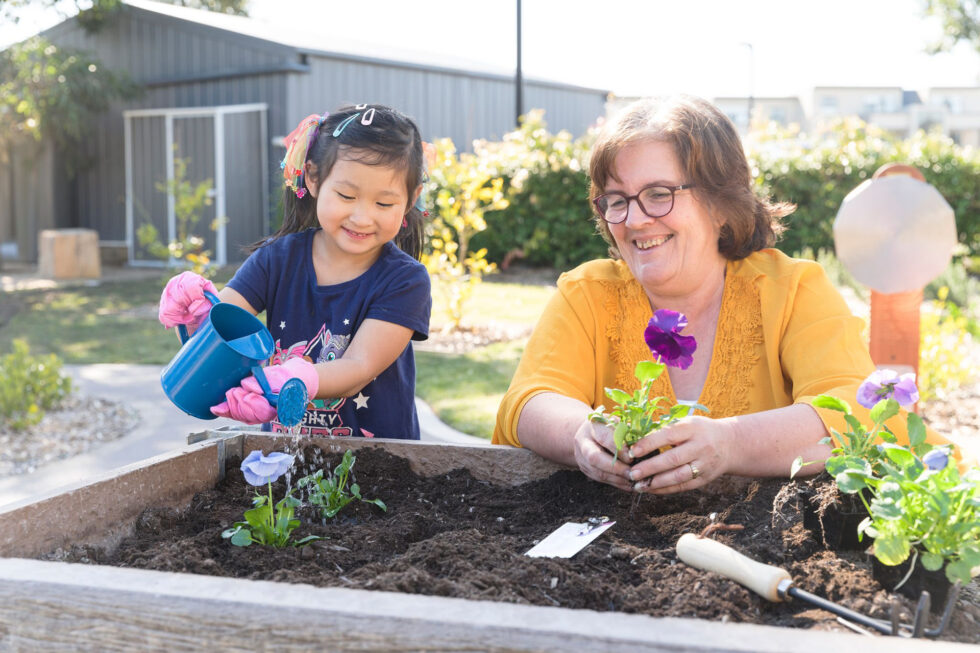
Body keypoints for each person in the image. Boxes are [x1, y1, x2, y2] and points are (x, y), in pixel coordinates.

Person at [492, 94, 952, 493]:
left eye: (658, 193)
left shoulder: (791, 289)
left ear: (720, 204)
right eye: (616, 199)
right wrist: (580, 434)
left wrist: (731, 443)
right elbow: (529, 400)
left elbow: (853, 409)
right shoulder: (587, 293)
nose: (633, 220)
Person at [158, 104, 432, 439]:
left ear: (411, 197)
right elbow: (216, 337)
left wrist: (297, 379)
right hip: (279, 463)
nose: (362, 217)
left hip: (380, 468)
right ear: (314, 179)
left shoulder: (404, 281)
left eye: (384, 204)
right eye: (347, 195)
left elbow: (359, 368)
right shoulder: (276, 260)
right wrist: (192, 311)